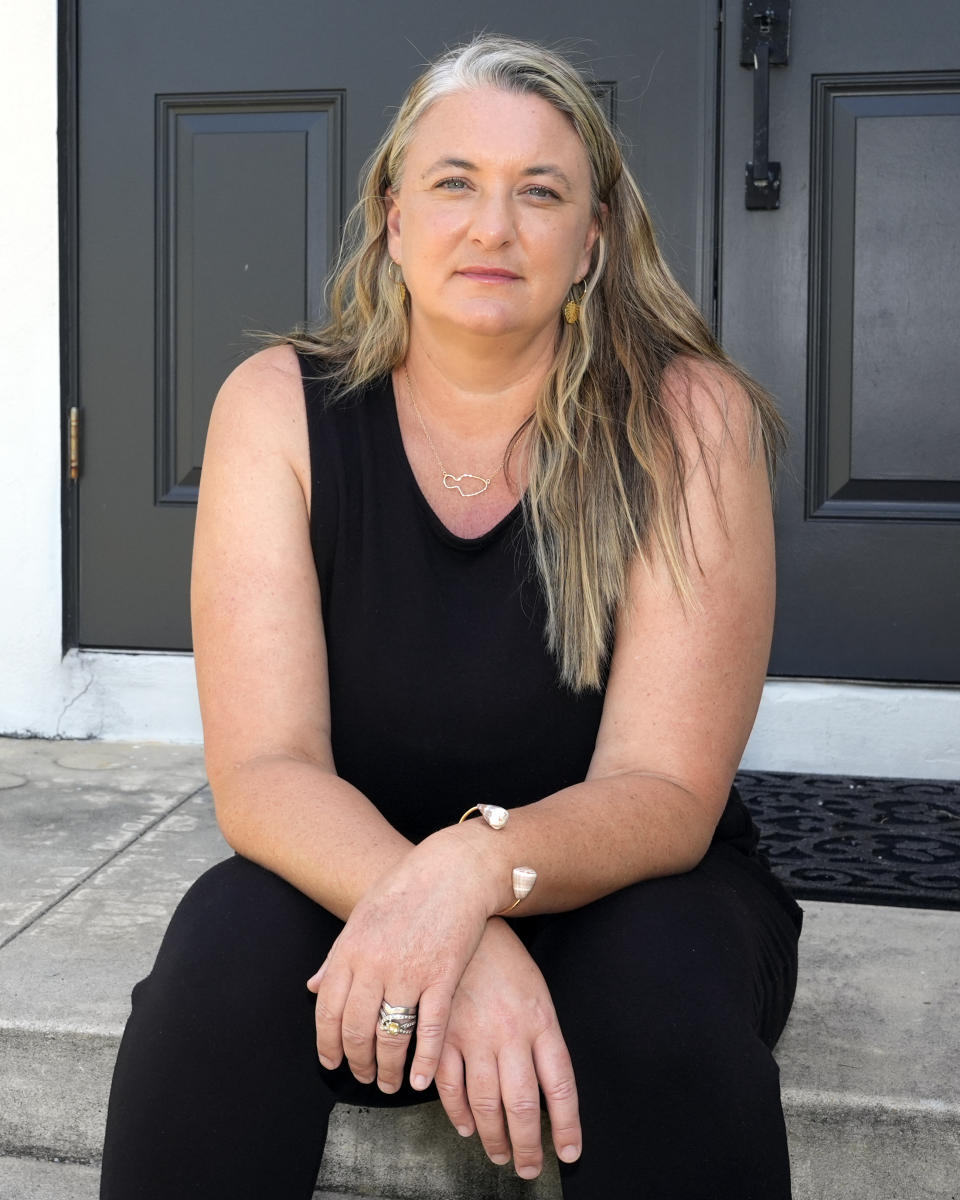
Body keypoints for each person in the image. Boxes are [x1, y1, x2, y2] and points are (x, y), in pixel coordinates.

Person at [100, 35, 802, 1200]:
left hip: (626, 890)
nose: (493, 227)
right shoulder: (279, 408)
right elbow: (266, 770)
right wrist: (443, 921)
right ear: (391, 216)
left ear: (593, 240)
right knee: (217, 970)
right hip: (349, 880)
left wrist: (476, 880)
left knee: (659, 1002)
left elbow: (668, 795)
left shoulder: (688, 420)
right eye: (454, 183)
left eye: (540, 192)